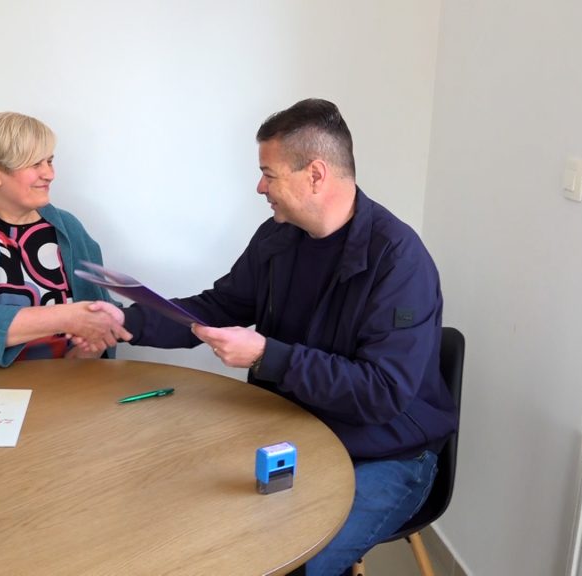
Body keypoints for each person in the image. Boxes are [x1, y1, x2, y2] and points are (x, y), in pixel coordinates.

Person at [87, 99, 458, 576]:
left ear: (316, 175)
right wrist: (126, 322)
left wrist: (267, 355)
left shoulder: (399, 261)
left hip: (386, 452)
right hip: (294, 430)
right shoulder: (278, 238)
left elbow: (382, 393)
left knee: (296, 561)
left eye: (269, 174)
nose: (259, 187)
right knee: (184, 508)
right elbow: (218, 308)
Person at [0, 112, 129, 377]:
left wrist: (87, 350)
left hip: (65, 381)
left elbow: (98, 311)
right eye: (34, 164)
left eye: (49, 161)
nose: (49, 174)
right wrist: (68, 317)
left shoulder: (68, 226)